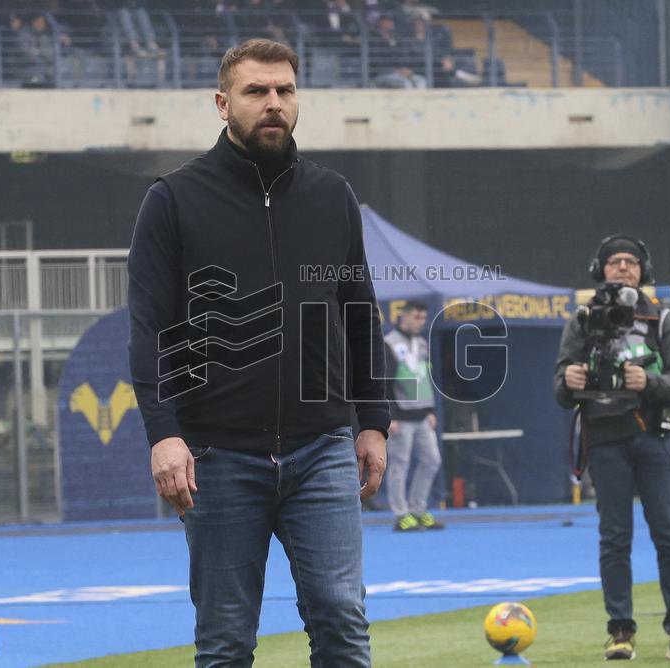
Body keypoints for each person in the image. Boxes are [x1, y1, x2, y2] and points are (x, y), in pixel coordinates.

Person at [127, 39, 390, 667]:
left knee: (342, 623)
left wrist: (374, 421)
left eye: (285, 91)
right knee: (225, 642)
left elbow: (359, 312)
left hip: (322, 447)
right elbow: (148, 328)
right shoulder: (172, 200)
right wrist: (163, 435)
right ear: (223, 103)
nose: (273, 103)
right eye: (256, 92)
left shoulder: (333, 195)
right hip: (215, 456)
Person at [555, 234, 670, 662]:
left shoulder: (662, 320)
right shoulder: (583, 320)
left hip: (655, 439)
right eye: (614, 262)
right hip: (606, 442)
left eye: (631, 261)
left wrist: (650, 383)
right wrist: (568, 381)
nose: (623, 267)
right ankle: (620, 630)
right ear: (600, 269)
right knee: (614, 538)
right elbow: (559, 390)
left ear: (644, 271)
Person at [384, 299, 444, 531]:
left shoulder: (421, 342)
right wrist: (391, 415)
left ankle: (418, 509)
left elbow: (424, 378)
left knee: (432, 460)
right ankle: (401, 514)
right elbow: (385, 382)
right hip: (401, 416)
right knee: (400, 464)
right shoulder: (389, 343)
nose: (421, 322)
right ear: (404, 316)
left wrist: (430, 410)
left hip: (422, 415)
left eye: (423, 317)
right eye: (417, 317)